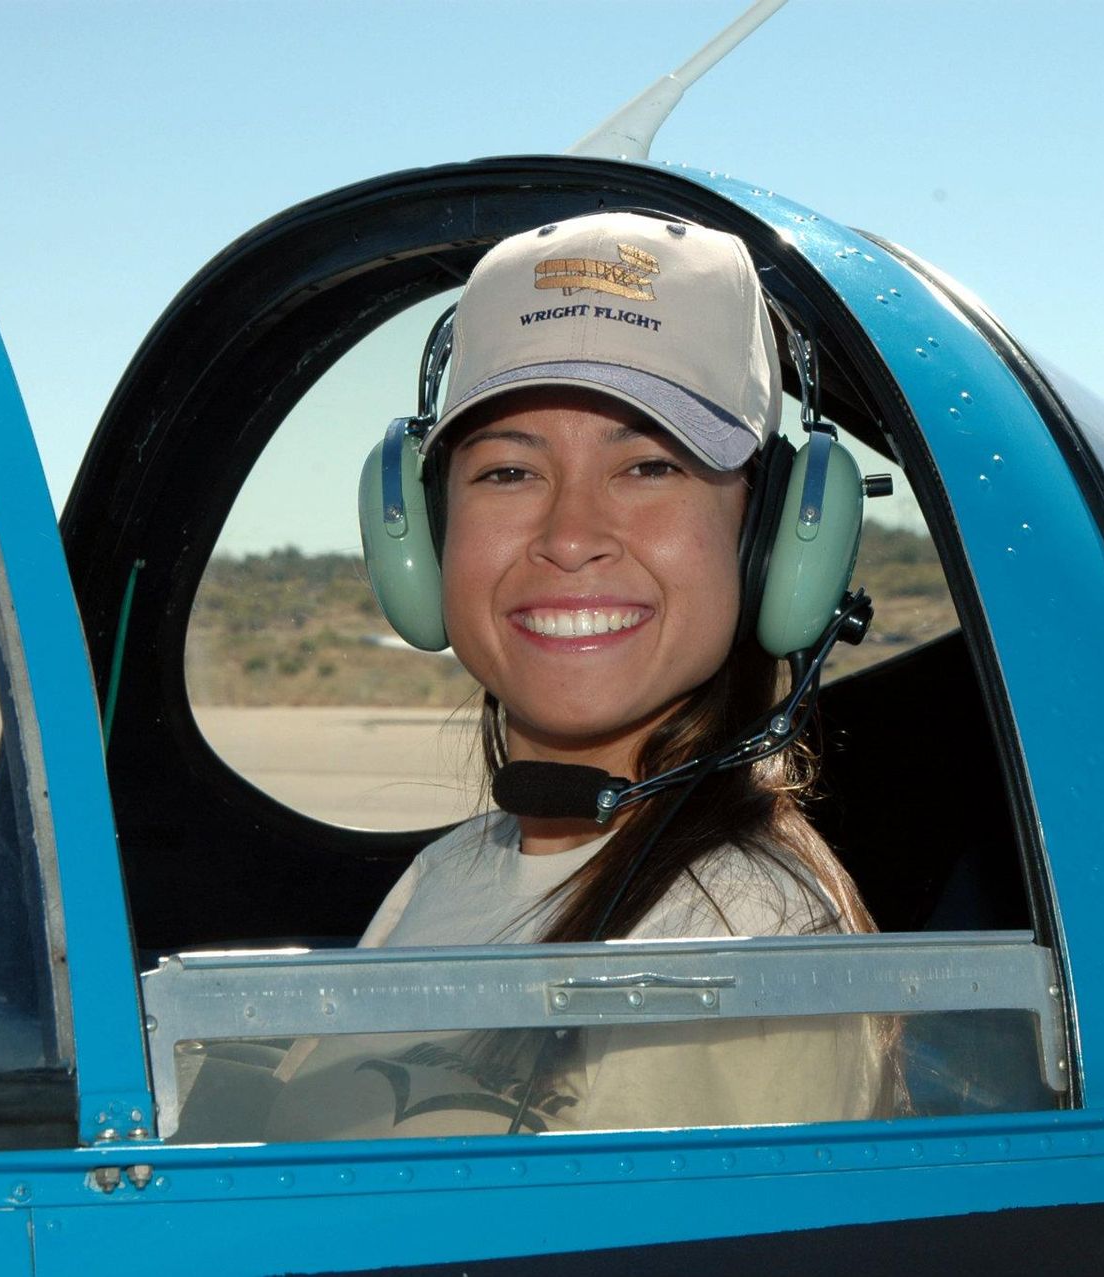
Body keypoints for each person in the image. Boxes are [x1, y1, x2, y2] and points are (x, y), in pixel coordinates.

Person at [256, 212, 894, 1140]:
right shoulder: (452, 873)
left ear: (775, 541)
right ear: (425, 538)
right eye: (509, 471)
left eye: (648, 464)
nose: (568, 537)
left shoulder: (744, 944)